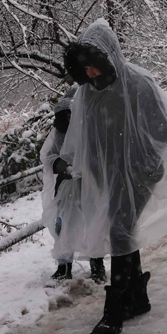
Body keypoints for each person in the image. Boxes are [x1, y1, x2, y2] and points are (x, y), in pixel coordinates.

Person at [55, 19, 167, 334]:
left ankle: (113, 312)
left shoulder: (139, 83)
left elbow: (164, 132)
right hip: (108, 174)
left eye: (94, 66)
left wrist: (134, 158)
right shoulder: (88, 92)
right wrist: (72, 161)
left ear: (108, 57)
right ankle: (138, 297)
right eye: (84, 69)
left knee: (119, 229)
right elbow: (81, 133)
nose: (89, 75)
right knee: (123, 230)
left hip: (141, 172)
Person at [41, 86, 105, 283]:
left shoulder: (89, 127)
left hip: (90, 184)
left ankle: (97, 265)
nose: (69, 118)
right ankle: (64, 266)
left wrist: (86, 167)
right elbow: (49, 156)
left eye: (72, 113)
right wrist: (64, 167)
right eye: (66, 114)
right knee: (63, 225)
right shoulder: (58, 133)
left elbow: (100, 152)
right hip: (66, 186)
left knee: (93, 222)